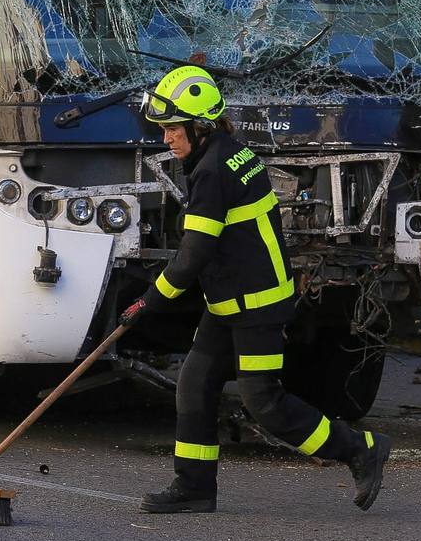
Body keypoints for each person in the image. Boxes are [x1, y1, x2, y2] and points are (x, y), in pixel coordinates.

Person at [121, 65, 391, 514]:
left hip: (257, 305)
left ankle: (360, 448)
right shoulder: (228, 153)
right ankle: (194, 487)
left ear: (200, 126)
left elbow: (193, 254)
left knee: (263, 402)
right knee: (195, 383)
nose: (167, 139)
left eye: (173, 129)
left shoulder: (212, 171)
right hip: (230, 300)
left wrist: (148, 302)